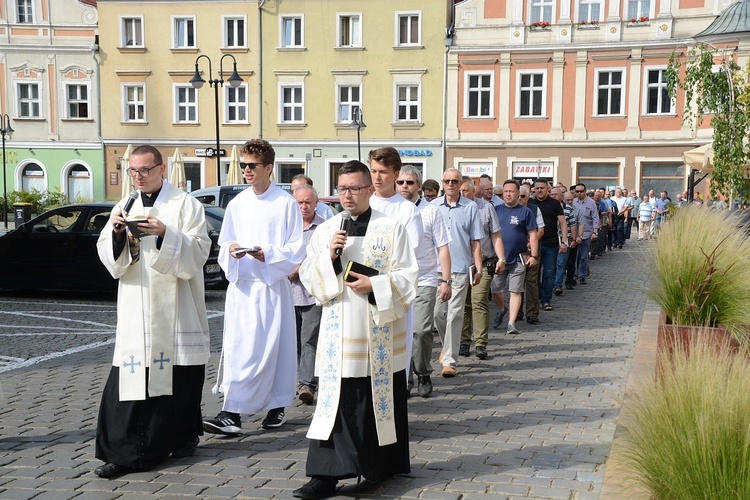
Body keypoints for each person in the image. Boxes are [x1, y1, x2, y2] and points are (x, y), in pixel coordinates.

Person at [295, 160, 418, 499]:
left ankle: (378, 467)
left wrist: (375, 284)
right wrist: (330, 259)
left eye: (354, 188)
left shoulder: (391, 228)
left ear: (369, 189)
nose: (347, 195)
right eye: (342, 188)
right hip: (340, 334)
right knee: (335, 405)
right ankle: (325, 475)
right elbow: (309, 276)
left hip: (377, 335)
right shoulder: (327, 229)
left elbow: (408, 280)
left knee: (376, 404)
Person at [94, 145, 211, 478]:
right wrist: (117, 233)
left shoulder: (185, 204)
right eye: (133, 170)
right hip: (137, 308)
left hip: (176, 309)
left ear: (162, 169)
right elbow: (109, 254)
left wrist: (165, 235)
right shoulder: (125, 203)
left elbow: (200, 251)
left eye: (145, 170)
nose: (138, 177)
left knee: (179, 381)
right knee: (128, 384)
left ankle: (183, 436)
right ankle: (123, 451)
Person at [203, 139, 305, 436]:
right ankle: (232, 412)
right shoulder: (237, 203)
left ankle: (275, 406)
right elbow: (223, 244)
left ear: (269, 168)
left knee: (273, 349)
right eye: (243, 165)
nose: (246, 170)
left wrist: (268, 254)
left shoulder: (285, 202)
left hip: (271, 287)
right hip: (243, 289)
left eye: (252, 165)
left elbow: (296, 248)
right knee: (241, 350)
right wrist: (232, 251)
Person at [396, 165, 452, 397]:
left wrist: (445, 280)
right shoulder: (392, 210)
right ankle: (403, 375)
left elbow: (443, 247)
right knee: (399, 331)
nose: (405, 187)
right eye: (400, 182)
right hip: (396, 280)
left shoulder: (431, 211)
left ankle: (423, 372)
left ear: (418, 186)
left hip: (425, 278)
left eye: (409, 182)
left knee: (420, 330)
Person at [432, 168, 483, 377]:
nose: (450, 185)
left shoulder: (470, 207)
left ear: (460, 183)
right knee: (437, 314)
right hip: (435, 269)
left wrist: (478, 267)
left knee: (454, 315)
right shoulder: (433, 207)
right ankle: (448, 345)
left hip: (460, 269)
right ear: (442, 183)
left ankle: (450, 361)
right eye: (447, 181)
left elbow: (475, 241)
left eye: (454, 181)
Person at [458, 178, 505, 360]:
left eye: (465, 191)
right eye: (460, 191)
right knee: (464, 303)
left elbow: (496, 235)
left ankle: (480, 343)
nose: (462, 194)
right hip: (462, 264)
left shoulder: (485, 208)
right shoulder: (453, 209)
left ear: (474, 191)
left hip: (484, 262)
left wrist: (501, 258)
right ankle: (463, 340)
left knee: (478, 300)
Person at [290, 184, 325, 404]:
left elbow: (326, 257)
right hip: (288, 293)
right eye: (299, 203)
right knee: (293, 340)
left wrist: (301, 268)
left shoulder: (323, 227)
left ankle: (307, 384)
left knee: (309, 338)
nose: (303, 207)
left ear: (316, 203)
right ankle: (298, 378)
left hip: (313, 293)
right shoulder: (287, 227)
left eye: (307, 202)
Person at [494, 180, 538, 335]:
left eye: (511, 191)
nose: (508, 194)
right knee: (496, 289)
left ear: (518, 193)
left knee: (515, 290)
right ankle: (501, 309)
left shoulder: (525, 212)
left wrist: (533, 255)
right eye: (505, 191)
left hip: (518, 258)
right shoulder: (496, 210)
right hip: (499, 259)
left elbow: (533, 234)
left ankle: (511, 323)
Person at [528, 179, 566, 313]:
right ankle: (537, 296)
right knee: (534, 274)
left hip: (550, 243)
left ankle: (546, 300)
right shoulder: (530, 203)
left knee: (549, 273)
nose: (539, 190)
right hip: (534, 245)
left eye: (542, 188)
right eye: (537, 188)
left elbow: (562, 223)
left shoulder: (555, 203)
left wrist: (564, 241)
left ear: (547, 189)